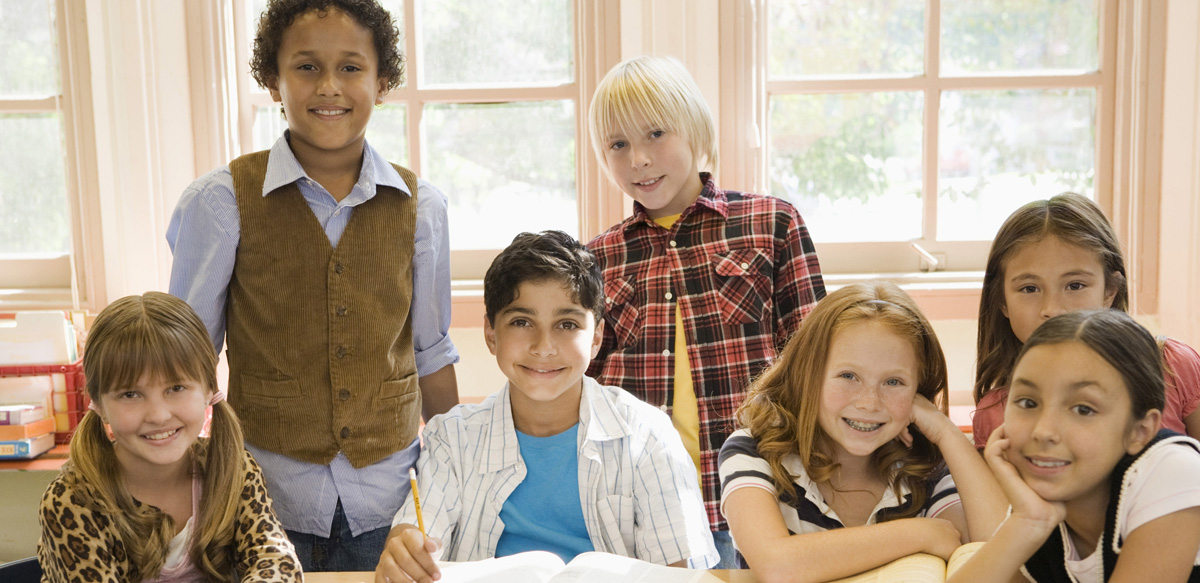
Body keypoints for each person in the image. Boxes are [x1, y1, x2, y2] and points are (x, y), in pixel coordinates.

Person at [167, 0, 459, 571]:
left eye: (351, 67)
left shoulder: (423, 208)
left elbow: (432, 353)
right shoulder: (220, 202)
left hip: (392, 510)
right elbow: (185, 361)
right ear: (272, 80)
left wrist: (458, 477)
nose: (329, 86)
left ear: (383, 81)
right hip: (261, 507)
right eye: (306, 67)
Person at [585, 54, 825, 567]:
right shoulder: (598, 258)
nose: (639, 159)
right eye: (618, 144)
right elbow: (585, 391)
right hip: (642, 511)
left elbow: (818, 361)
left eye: (655, 134)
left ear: (695, 128)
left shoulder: (772, 224)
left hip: (761, 498)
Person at [375, 231, 718, 583]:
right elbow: (416, 533)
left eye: (567, 324)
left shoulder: (648, 435)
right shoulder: (452, 437)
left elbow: (680, 573)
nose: (544, 347)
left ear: (596, 337)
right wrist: (405, 551)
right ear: (491, 334)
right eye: (521, 322)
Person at [719, 282, 1007, 582]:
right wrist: (921, 534)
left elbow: (1002, 553)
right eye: (848, 376)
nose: (869, 403)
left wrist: (946, 432)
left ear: (918, 389)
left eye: (894, 382)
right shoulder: (755, 451)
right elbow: (777, 566)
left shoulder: (926, 466)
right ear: (807, 374)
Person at [37, 292, 300, 582]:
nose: (159, 415)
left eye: (175, 388)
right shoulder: (72, 499)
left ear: (208, 389)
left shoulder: (232, 468)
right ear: (98, 403)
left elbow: (275, 559)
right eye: (130, 394)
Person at [947, 309, 1200, 583]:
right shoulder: (1039, 509)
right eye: (1028, 403)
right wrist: (1028, 522)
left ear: (1139, 431)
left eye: (1083, 409)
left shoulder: (1172, 472)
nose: (1043, 431)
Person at [972, 193, 1200, 449]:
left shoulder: (1173, 366)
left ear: (1109, 291)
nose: (1053, 310)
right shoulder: (995, 413)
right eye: (1029, 288)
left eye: (1075, 285)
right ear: (1002, 302)